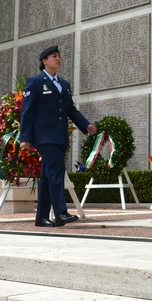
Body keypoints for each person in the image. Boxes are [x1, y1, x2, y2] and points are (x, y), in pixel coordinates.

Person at [20, 46, 96, 226]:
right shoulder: (35, 82)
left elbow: (70, 109)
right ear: (44, 61)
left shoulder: (64, 84)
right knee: (56, 171)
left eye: (59, 56)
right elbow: (27, 111)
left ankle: (42, 217)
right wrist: (25, 137)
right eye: (54, 56)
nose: (58, 59)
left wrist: (86, 125)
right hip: (44, 137)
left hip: (60, 136)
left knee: (48, 176)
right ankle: (61, 213)